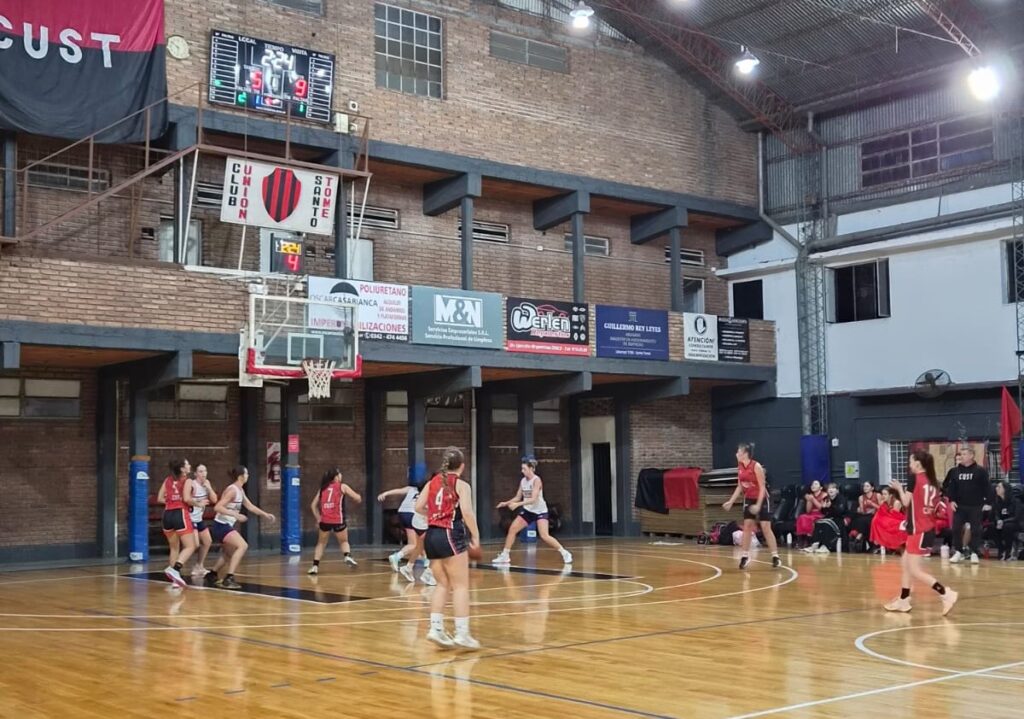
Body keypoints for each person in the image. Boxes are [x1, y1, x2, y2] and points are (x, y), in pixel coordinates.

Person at [415, 446, 481, 649]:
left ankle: (436, 629)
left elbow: (418, 507)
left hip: (431, 536)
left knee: (442, 584)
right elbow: (467, 513)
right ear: (462, 466)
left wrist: (433, 515)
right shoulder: (461, 485)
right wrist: (476, 535)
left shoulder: (432, 482)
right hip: (449, 534)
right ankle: (462, 634)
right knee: (460, 586)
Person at [883, 450, 957, 614]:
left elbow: (905, 502)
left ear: (917, 463)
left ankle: (946, 593)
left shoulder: (914, 479)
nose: (909, 464)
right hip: (925, 528)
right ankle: (904, 600)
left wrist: (899, 489)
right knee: (905, 564)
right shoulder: (933, 482)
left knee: (915, 570)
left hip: (920, 530)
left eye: (911, 461)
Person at [491, 456, 572, 566]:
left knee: (544, 535)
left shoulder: (537, 480)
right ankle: (505, 555)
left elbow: (533, 499)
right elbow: (517, 497)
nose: (522, 471)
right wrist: (506, 503)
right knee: (512, 529)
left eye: (524, 469)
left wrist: (517, 505)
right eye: (522, 469)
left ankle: (564, 553)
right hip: (528, 511)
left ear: (531, 469)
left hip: (540, 512)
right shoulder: (523, 481)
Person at [204, 466, 276, 590]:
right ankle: (229, 578)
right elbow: (217, 507)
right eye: (246, 474)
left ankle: (212, 574)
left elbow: (250, 506)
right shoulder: (232, 490)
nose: (248, 476)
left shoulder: (240, 490)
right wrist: (235, 515)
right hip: (221, 525)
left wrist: (265, 514)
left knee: (228, 554)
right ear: (241, 476)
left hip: (224, 525)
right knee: (242, 546)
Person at [722, 443, 782, 569]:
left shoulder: (756, 466)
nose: (736, 454)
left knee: (765, 527)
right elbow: (739, 486)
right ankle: (745, 556)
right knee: (747, 526)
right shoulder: (740, 466)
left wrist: (758, 505)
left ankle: (775, 556)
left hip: (762, 498)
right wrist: (730, 502)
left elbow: (762, 487)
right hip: (749, 498)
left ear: (745, 453)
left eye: (739, 451)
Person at [378, 472, 435, 585]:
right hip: (415, 514)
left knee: (419, 542)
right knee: (415, 544)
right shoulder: (431, 491)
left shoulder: (412, 489)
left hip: (402, 513)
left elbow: (398, 491)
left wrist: (385, 493)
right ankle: (397, 556)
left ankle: (422, 562)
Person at [308, 467, 362, 574]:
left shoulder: (322, 489)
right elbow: (357, 498)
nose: (341, 476)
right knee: (344, 541)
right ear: (336, 477)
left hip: (325, 521)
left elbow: (313, 505)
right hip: (338, 520)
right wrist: (358, 497)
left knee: (321, 543)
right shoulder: (342, 486)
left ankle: (315, 566)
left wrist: (318, 518)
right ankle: (347, 556)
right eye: (340, 474)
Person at [157, 458, 200, 588]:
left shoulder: (167, 480)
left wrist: (172, 501)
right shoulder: (187, 480)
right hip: (180, 514)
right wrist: (199, 504)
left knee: (174, 548)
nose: (189, 465)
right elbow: (187, 499)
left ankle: (175, 580)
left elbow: (159, 498)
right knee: (191, 546)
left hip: (167, 514)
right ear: (182, 469)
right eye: (187, 464)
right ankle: (175, 569)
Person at [944, 446, 990, 564]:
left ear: (971, 456)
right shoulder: (954, 471)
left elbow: (987, 487)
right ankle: (958, 551)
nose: (962, 457)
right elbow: (950, 487)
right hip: (960, 506)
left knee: (975, 529)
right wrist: (951, 500)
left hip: (976, 505)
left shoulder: (980, 471)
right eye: (961, 454)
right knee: (956, 529)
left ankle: (974, 552)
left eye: (964, 454)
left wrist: (988, 502)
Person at [188, 463, 218, 578]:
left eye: (205, 471)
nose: (203, 473)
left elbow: (214, 500)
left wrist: (209, 488)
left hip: (199, 519)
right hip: (190, 519)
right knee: (195, 544)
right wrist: (198, 503)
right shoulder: (192, 485)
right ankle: (177, 564)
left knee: (207, 541)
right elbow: (186, 500)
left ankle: (199, 566)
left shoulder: (207, 484)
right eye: (200, 471)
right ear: (195, 474)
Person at [801, 483, 850, 554]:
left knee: (826, 523)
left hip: (839, 519)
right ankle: (815, 544)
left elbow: (840, 512)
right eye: (829, 488)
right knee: (818, 522)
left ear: (837, 491)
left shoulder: (842, 499)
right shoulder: (826, 499)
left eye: (833, 488)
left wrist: (831, 506)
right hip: (829, 518)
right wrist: (823, 508)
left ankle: (826, 546)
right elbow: (824, 512)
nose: (831, 490)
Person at [870, 486, 907, 553]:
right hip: (890, 520)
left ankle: (891, 546)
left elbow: (895, 516)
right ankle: (879, 543)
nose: (883, 496)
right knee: (876, 520)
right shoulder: (884, 503)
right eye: (882, 494)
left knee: (887, 524)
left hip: (900, 520)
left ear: (890, 495)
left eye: (885, 494)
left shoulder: (896, 502)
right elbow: (880, 513)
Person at [990, 481, 1021, 561]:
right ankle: (1001, 549)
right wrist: (998, 520)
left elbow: (1017, 517)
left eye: (999, 487)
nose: (996, 488)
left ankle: (1009, 550)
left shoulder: (1015, 501)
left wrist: (1003, 522)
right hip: (1002, 523)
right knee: (992, 527)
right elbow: (996, 514)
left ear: (1005, 489)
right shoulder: (997, 501)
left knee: (1007, 526)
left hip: (1015, 523)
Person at [849, 481, 881, 552]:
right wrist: (861, 510)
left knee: (867, 521)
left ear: (872, 488)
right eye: (864, 486)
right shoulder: (861, 497)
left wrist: (872, 504)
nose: (865, 488)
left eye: (867, 486)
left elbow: (882, 508)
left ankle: (859, 537)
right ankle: (869, 543)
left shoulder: (877, 495)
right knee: (859, 520)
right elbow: (863, 511)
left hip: (877, 515)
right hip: (866, 515)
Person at [794, 480, 827, 547]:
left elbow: (821, 508)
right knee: (802, 517)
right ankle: (802, 539)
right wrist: (809, 501)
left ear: (821, 487)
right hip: (811, 513)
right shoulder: (810, 495)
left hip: (821, 513)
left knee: (810, 519)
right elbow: (808, 511)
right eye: (812, 484)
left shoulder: (824, 495)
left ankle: (809, 539)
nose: (813, 486)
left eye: (815, 484)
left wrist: (813, 499)